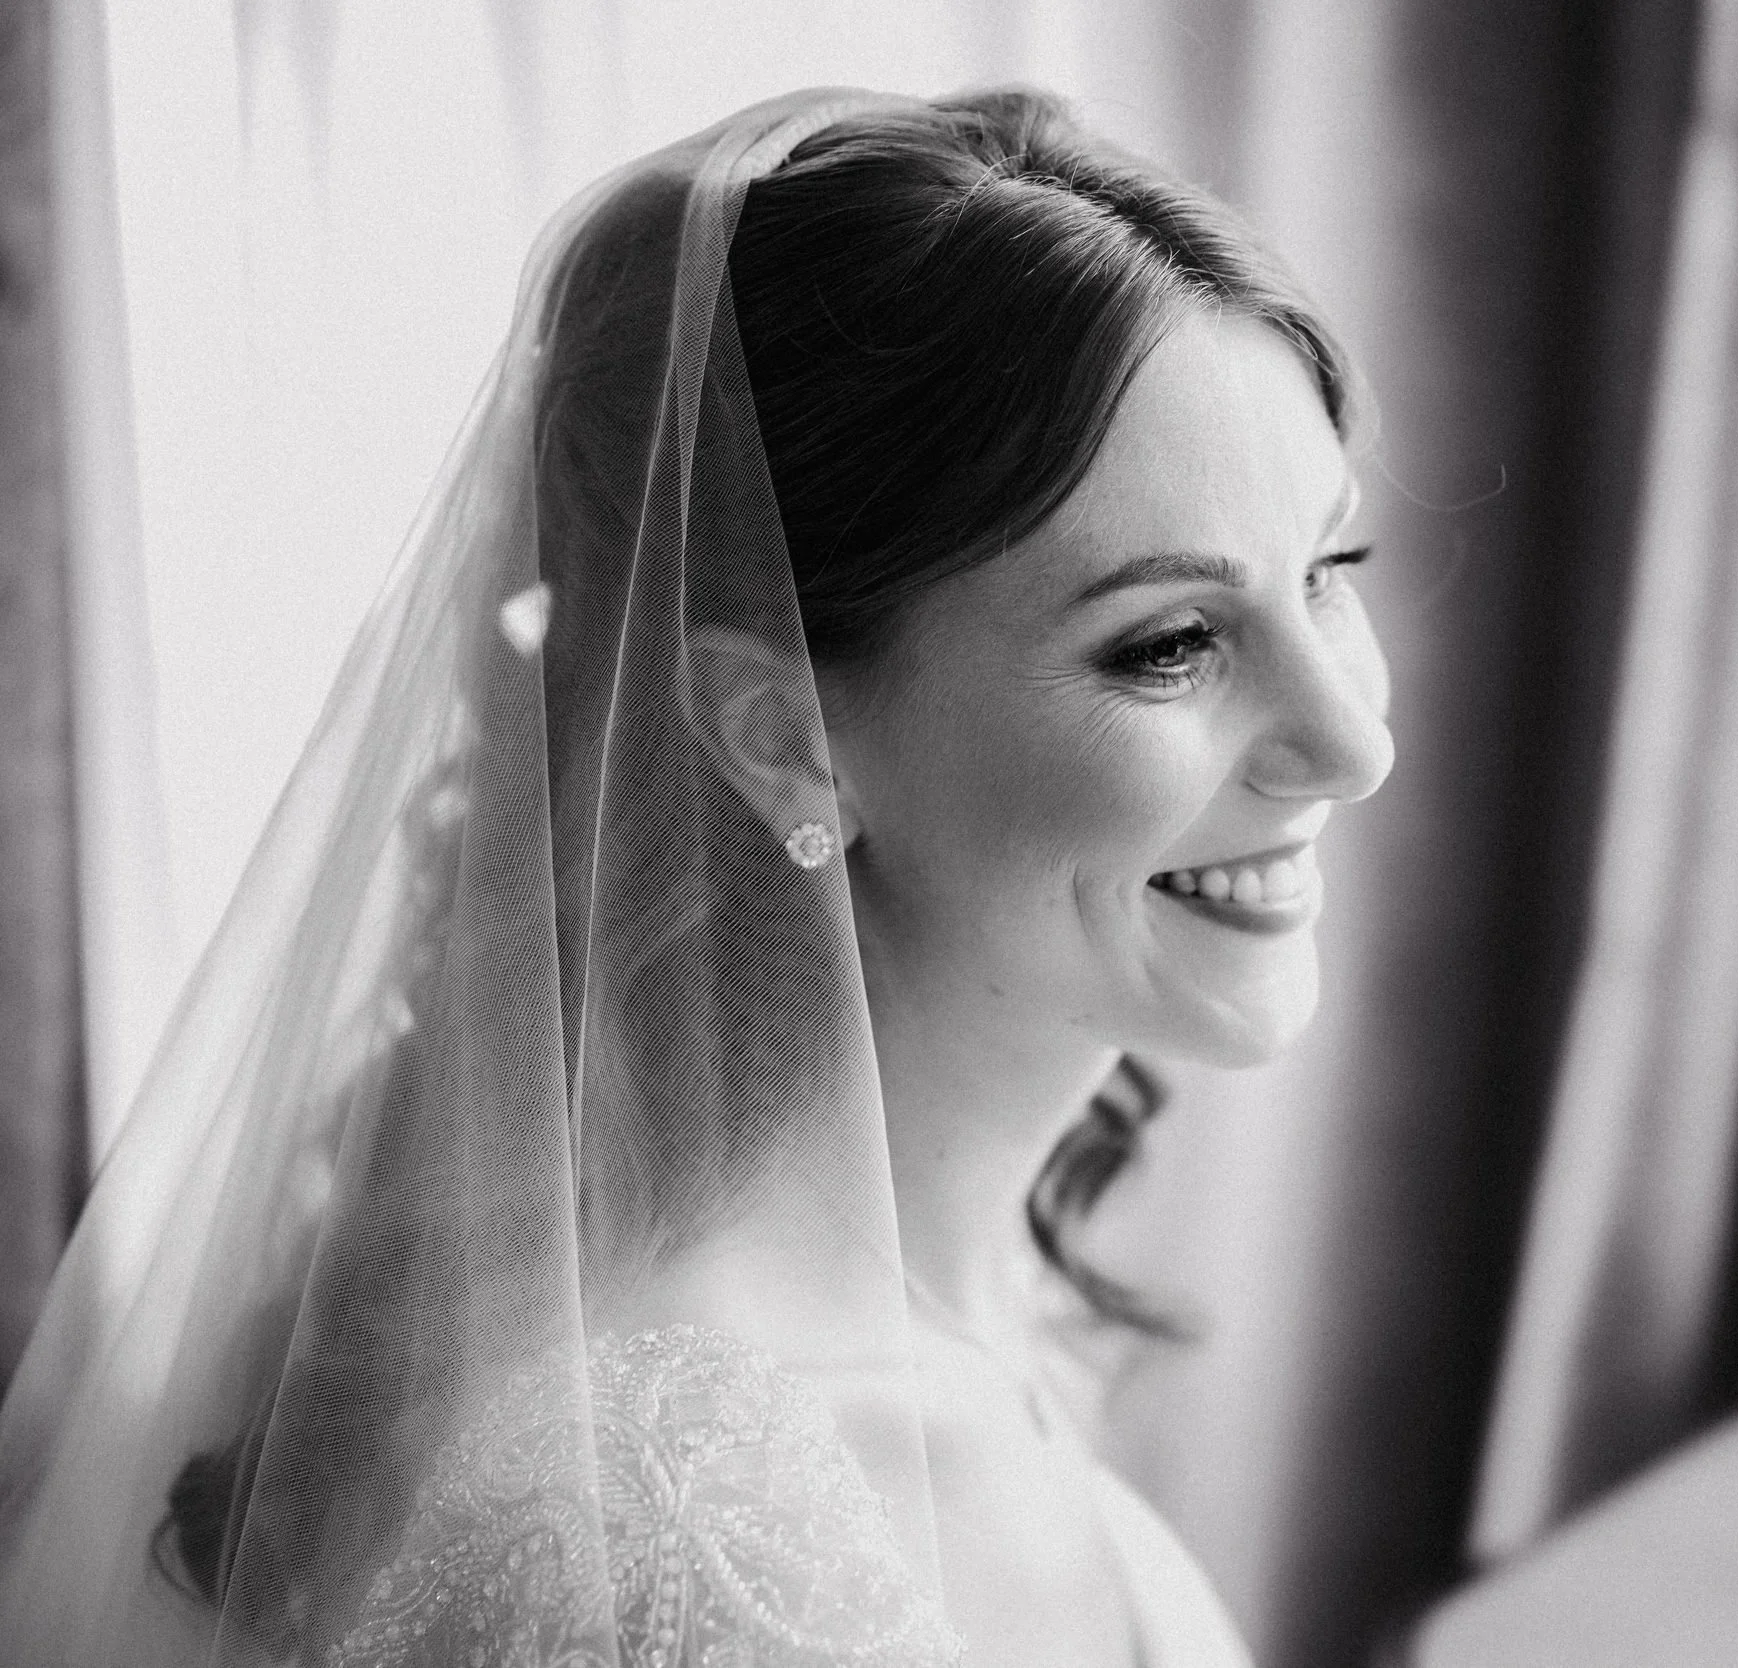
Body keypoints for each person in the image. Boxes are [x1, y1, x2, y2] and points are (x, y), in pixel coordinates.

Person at [0, 85, 1391, 1666]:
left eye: (1330, 574)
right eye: (1172, 643)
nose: (1353, 746)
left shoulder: (972, 1304)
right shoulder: (675, 1544)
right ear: (782, 732)